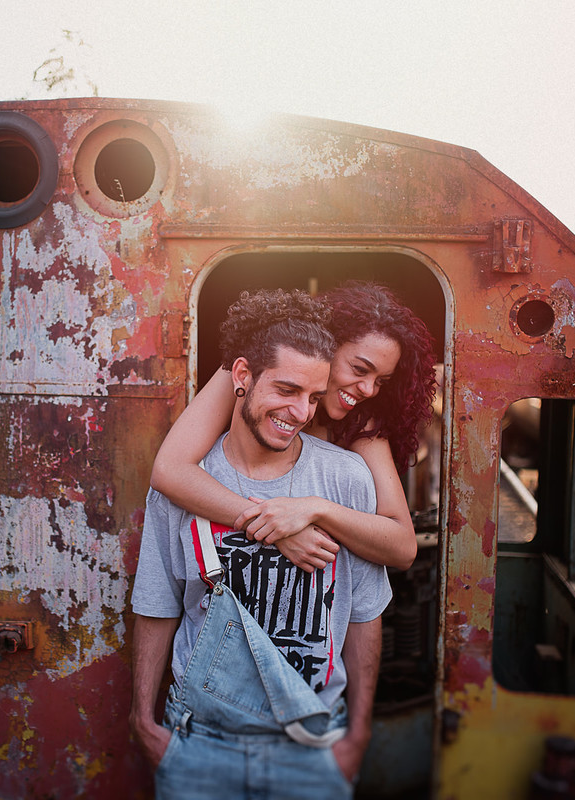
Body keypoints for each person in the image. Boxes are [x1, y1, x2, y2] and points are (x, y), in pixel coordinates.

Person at [130, 289, 392, 797]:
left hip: (311, 746)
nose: (300, 412)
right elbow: (157, 606)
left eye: (313, 397)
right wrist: (143, 719)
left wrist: (358, 732)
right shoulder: (184, 486)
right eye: (288, 390)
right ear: (243, 376)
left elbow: (364, 613)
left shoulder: (347, 480)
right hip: (200, 743)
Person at [150, 280, 437, 573]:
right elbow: (169, 470)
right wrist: (277, 530)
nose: (368, 389)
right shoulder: (248, 375)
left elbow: (402, 547)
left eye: (381, 381)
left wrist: (315, 509)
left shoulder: (360, 423)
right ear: (328, 344)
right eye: (360, 369)